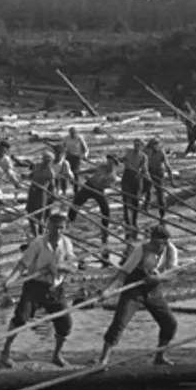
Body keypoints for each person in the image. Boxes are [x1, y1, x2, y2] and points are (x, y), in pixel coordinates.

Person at [0, 210, 76, 368]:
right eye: (55, 227)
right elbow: (23, 265)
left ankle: (57, 355)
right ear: (48, 226)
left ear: (65, 228)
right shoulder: (38, 243)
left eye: (61, 228)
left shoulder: (67, 243)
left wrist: (59, 266)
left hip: (55, 287)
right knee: (20, 318)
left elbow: (73, 266)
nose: (58, 231)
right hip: (35, 285)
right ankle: (5, 353)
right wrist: (9, 281)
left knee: (65, 324)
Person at [97, 223, 180, 365]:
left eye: (158, 243)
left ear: (164, 242)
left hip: (153, 290)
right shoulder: (141, 250)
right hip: (134, 290)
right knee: (119, 323)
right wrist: (109, 290)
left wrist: (158, 278)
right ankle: (103, 360)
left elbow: (172, 274)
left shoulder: (171, 250)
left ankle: (160, 356)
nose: (155, 246)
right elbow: (123, 272)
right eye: (153, 242)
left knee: (170, 323)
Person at [68, 153, 116, 267]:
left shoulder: (113, 176)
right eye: (108, 161)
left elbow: (107, 185)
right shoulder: (102, 166)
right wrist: (81, 173)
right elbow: (92, 170)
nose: (108, 164)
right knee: (76, 202)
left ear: (114, 165)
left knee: (105, 209)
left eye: (111, 162)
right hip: (89, 185)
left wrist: (100, 183)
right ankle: (69, 220)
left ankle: (105, 227)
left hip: (98, 190)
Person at [121, 140, 150, 231]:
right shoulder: (128, 152)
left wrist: (144, 175)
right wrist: (121, 159)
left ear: (141, 146)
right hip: (127, 175)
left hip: (136, 177)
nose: (136, 147)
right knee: (126, 200)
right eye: (135, 145)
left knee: (135, 201)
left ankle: (134, 221)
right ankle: (127, 222)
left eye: (138, 145)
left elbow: (144, 169)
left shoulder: (143, 157)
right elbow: (121, 160)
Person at [144, 137, 169, 217]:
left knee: (160, 195)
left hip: (159, 174)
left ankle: (162, 214)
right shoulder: (146, 153)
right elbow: (143, 165)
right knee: (148, 192)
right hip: (149, 173)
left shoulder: (161, 153)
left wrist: (171, 179)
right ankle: (146, 208)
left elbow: (167, 165)